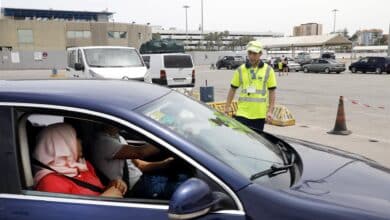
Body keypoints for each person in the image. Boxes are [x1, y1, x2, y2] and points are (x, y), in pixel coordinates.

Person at [91, 124, 188, 200]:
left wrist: (164, 164)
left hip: (143, 179)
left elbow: (139, 165)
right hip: (133, 189)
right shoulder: (102, 142)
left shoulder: (118, 138)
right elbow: (140, 152)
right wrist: (167, 138)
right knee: (183, 189)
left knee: (184, 178)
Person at [33, 123, 127, 198]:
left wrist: (113, 185)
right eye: (75, 138)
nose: (81, 141)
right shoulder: (50, 182)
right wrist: (104, 199)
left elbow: (98, 189)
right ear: (61, 145)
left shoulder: (83, 165)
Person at [224, 40, 277, 133]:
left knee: (255, 142)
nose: (252, 56)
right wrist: (227, 107)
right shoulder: (241, 70)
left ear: (260, 54)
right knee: (241, 140)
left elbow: (272, 91)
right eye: (250, 53)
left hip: (259, 115)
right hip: (242, 113)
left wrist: (270, 111)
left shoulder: (268, 70)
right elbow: (232, 89)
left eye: (255, 53)